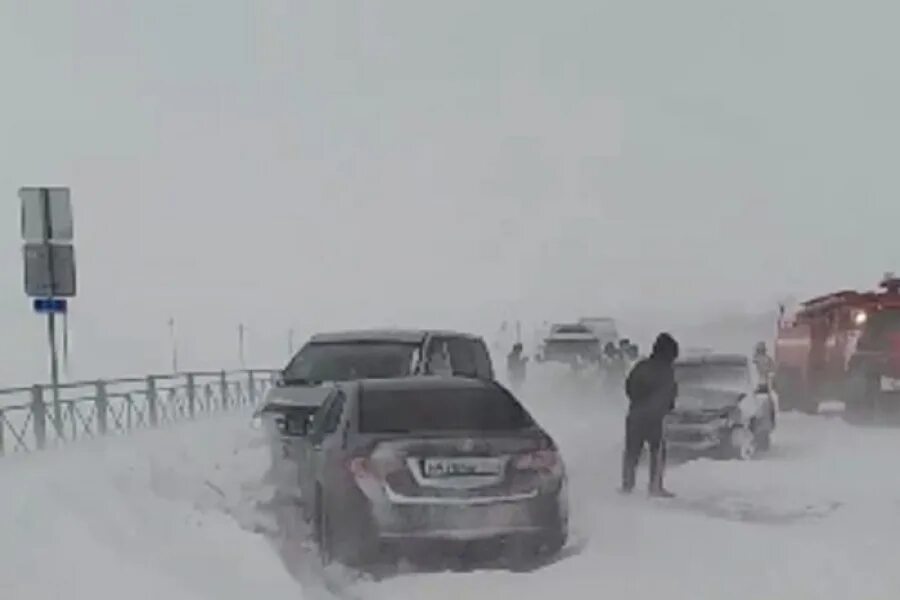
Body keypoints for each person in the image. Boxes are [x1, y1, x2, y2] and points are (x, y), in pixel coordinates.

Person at [621, 332, 680, 497]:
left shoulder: (641, 366)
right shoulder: (666, 371)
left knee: (632, 452)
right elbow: (670, 393)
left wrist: (637, 402)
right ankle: (655, 486)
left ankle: (627, 485)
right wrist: (666, 408)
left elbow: (629, 386)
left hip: (635, 414)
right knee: (658, 451)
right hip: (655, 418)